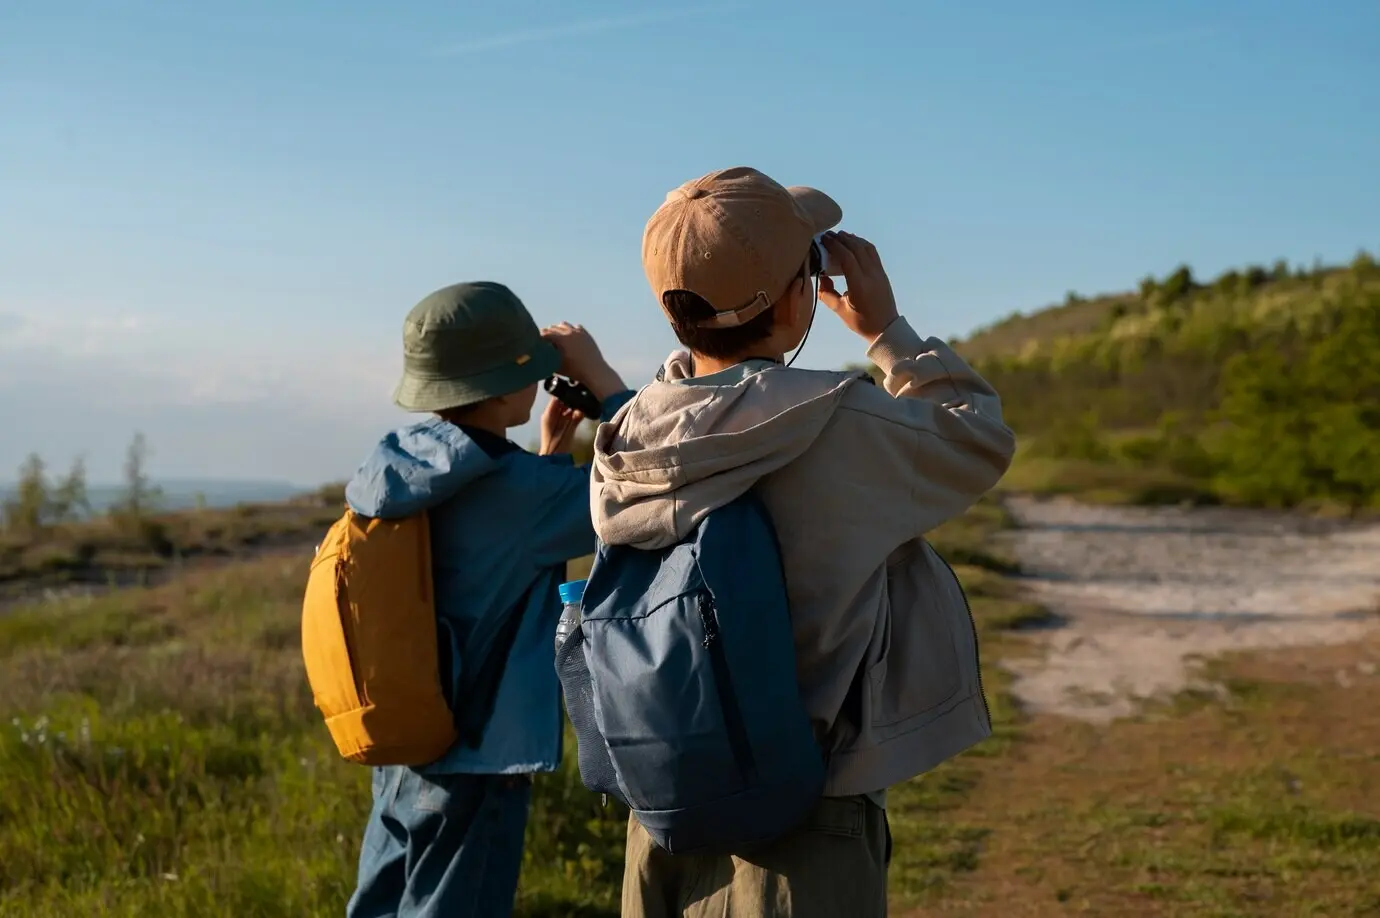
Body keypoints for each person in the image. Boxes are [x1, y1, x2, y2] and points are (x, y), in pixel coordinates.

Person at [589, 167, 1017, 917]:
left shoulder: (629, 435)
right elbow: (977, 439)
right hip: (808, 813)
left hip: (662, 802)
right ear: (797, 299)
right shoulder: (836, 421)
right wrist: (887, 332)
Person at [343, 281, 633, 918]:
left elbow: (487, 540)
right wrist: (606, 382)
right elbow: (655, 478)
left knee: (384, 904)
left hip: (406, 735)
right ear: (508, 387)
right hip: (479, 751)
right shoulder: (524, 495)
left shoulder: (397, 469)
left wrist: (549, 452)